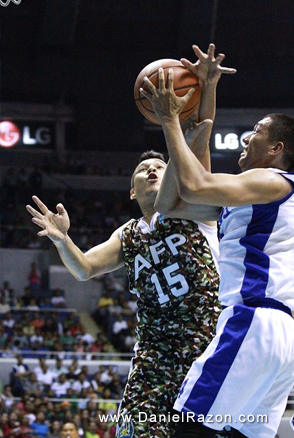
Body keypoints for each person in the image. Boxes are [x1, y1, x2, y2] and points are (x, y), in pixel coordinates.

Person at [26, 44, 235, 438]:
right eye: (144, 169)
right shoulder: (128, 234)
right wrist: (62, 240)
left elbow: (197, 140)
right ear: (131, 191)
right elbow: (84, 269)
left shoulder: (190, 207)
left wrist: (207, 88)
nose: (153, 170)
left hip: (204, 351)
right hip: (153, 359)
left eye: (160, 166)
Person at [141, 43, 294, 438]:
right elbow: (171, 204)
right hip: (280, 336)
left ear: (277, 149)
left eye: (257, 133)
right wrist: (205, 92)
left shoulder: (273, 182)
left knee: (188, 427)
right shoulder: (254, 197)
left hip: (253, 321)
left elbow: (194, 185)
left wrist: (170, 121)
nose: (247, 139)